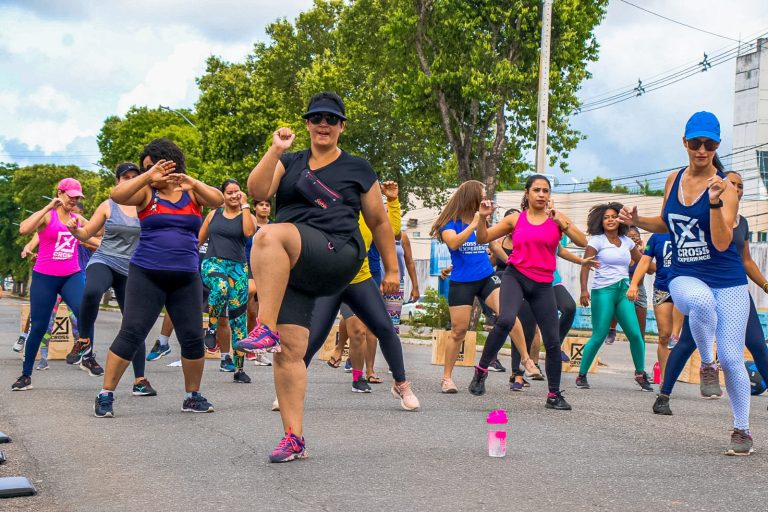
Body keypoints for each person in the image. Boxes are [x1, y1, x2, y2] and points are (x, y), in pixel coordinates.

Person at [237, 92, 411, 462]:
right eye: (316, 118)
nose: (323, 125)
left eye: (331, 119)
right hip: (297, 264)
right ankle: (293, 438)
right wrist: (275, 149)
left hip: (338, 251)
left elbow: (379, 221)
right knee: (290, 351)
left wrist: (392, 269)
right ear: (306, 124)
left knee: (268, 234)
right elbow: (257, 191)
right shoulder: (290, 161)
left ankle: (263, 326)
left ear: (341, 126)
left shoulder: (358, 168)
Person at [619, 111, 752, 455]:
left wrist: (715, 202)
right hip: (684, 274)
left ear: (718, 146)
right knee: (702, 304)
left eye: (709, 144)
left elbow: (723, 243)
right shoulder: (673, 180)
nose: (702, 150)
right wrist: (638, 220)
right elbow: (666, 223)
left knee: (735, 360)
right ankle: (707, 364)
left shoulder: (726, 185)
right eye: (696, 143)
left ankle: (742, 430)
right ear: (685, 143)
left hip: (729, 279)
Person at [93, 138, 224, 418]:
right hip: (147, 275)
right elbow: (117, 195)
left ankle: (192, 396)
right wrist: (146, 177)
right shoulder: (145, 193)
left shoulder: (192, 192)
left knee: (191, 338)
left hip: (186, 277)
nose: (148, 172)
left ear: (169, 164)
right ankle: (106, 394)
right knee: (131, 334)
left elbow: (219, 200)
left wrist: (193, 182)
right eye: (145, 169)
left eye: (151, 166)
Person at [651, 170, 768, 419]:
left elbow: (746, 260)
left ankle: (741, 426)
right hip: (701, 286)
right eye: (731, 183)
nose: (735, 188)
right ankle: (664, 394)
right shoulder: (706, 213)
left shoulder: (743, 223)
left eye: (739, 185)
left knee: (757, 344)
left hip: (732, 289)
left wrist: (766, 285)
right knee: (686, 343)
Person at [473, 175, 587, 410]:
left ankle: (554, 395)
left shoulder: (556, 220)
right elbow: (482, 238)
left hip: (543, 284)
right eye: (537, 190)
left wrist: (562, 221)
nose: (542, 194)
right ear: (527, 193)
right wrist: (482, 218)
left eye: (545, 190)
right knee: (505, 320)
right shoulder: (515, 220)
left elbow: (583, 241)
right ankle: (481, 371)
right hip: (516, 277)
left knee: (553, 341)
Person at [430, 181, 539, 395]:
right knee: (458, 331)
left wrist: (512, 262)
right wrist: (476, 220)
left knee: (508, 314)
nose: (485, 198)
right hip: (462, 282)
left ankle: (526, 359)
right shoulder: (449, 224)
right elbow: (454, 244)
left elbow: (493, 245)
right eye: (482, 195)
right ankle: (447, 378)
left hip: (486, 277)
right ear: (471, 197)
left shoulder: (482, 221)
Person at [298, 180, 404, 397]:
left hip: (359, 280)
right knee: (314, 337)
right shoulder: (325, 214)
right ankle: (290, 387)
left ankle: (370, 380)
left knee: (364, 331)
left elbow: (391, 230)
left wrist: (393, 201)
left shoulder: (367, 218)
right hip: (329, 281)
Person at [66, 162, 156, 396]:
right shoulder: (109, 205)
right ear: (118, 181)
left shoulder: (147, 207)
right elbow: (87, 233)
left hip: (132, 269)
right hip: (105, 260)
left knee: (134, 325)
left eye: (134, 176)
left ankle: (140, 380)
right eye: (125, 177)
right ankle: (84, 340)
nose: (129, 180)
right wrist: (76, 230)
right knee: (92, 291)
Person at [12, 178, 94, 391]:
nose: (74, 200)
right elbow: (24, 229)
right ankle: (26, 375)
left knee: (85, 311)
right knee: (38, 326)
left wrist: (87, 235)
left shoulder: (78, 218)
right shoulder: (48, 216)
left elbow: (98, 233)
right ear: (60, 193)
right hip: (44, 277)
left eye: (78, 197)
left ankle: (87, 356)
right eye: (71, 196)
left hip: (71, 276)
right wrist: (49, 205)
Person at [575, 203, 653, 391]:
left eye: (613, 216)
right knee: (600, 334)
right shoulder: (597, 241)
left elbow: (642, 261)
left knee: (635, 334)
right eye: (606, 217)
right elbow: (585, 266)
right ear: (600, 221)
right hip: (603, 292)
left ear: (620, 220)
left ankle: (640, 374)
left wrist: (653, 259)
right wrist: (583, 290)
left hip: (623, 291)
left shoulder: (627, 241)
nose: (610, 220)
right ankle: (582, 375)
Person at [198, 179, 256, 384]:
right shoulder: (213, 214)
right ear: (223, 195)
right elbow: (199, 240)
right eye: (229, 192)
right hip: (213, 263)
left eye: (237, 192)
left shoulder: (246, 215)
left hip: (238, 269)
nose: (233, 195)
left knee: (239, 321)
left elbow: (249, 232)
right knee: (220, 287)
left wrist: (246, 205)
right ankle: (212, 329)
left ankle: (239, 369)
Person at [627, 232, 683, 386]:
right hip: (662, 289)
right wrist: (634, 284)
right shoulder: (657, 237)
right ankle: (665, 382)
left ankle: (706, 365)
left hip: (686, 287)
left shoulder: (689, 229)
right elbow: (645, 262)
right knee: (664, 336)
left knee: (681, 337)